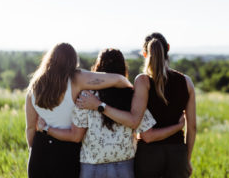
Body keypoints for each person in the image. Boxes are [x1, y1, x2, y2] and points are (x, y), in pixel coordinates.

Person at [37, 48, 185, 178]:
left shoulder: (86, 96)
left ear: (98, 68)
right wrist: (178, 127)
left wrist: (46, 128)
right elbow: (149, 135)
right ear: (123, 68)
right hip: (124, 166)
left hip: (91, 166)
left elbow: (76, 136)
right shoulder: (132, 97)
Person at [77, 33, 196, 178]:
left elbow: (145, 134)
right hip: (177, 154)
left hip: (148, 156)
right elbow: (193, 127)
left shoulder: (142, 82)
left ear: (145, 54)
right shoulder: (187, 82)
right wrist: (186, 158)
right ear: (168, 48)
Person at [25, 43, 132, 178]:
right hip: (67, 151)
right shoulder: (77, 79)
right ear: (73, 60)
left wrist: (34, 151)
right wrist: (131, 89)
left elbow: (30, 128)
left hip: (39, 150)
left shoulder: (34, 86)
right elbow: (118, 79)